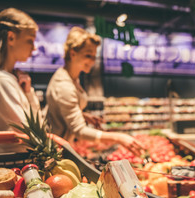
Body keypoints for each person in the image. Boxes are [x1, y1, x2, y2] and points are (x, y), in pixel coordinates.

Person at [46, 27, 144, 156]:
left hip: (63, 147)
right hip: (55, 152)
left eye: (94, 56)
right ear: (72, 53)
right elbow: (79, 131)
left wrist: (82, 115)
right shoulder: (64, 85)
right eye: (88, 55)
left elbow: (62, 110)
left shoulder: (72, 78)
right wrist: (119, 137)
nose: (92, 61)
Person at [0, 8, 41, 152]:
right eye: (30, 40)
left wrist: (28, 92)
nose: (34, 48)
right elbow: (32, 131)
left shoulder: (8, 78)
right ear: (10, 38)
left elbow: (38, 127)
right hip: (13, 164)